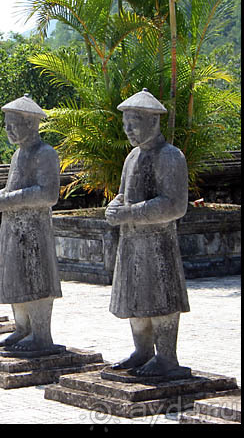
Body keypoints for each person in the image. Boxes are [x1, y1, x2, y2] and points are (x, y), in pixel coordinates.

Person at [105, 88, 190, 377]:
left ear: (153, 122)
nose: (128, 129)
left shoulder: (170, 156)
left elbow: (175, 205)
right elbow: (121, 193)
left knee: (161, 299)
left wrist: (130, 212)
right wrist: (114, 207)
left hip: (158, 243)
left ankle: (166, 357)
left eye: (134, 122)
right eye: (126, 123)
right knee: (135, 299)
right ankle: (142, 352)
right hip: (131, 241)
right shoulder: (131, 157)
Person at [0, 94, 62, 352]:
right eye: (6, 125)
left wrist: (8, 199)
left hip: (34, 229)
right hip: (14, 227)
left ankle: (41, 334)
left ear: (31, 124)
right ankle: (22, 329)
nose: (8, 130)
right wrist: (1, 196)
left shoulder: (45, 153)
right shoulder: (18, 155)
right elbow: (13, 187)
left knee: (36, 279)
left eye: (13, 124)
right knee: (15, 279)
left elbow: (47, 194)